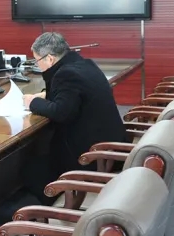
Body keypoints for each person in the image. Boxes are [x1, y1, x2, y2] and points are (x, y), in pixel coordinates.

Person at [21, 32, 126, 201]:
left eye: (37, 60)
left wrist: (32, 102)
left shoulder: (66, 74)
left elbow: (61, 112)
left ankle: (46, 206)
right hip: (109, 146)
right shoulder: (84, 64)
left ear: (49, 59)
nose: (37, 65)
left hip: (92, 156)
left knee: (32, 167)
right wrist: (46, 95)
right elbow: (73, 95)